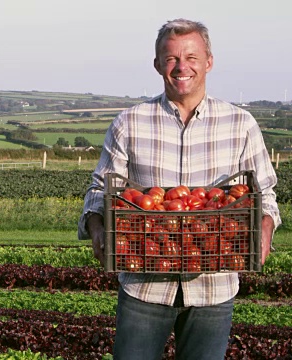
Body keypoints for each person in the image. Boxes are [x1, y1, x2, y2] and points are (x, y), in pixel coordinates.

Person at [78, 18, 281, 360]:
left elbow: (266, 195)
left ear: (209, 62)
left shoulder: (240, 124)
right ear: (157, 64)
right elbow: (101, 188)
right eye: (171, 58)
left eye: (191, 57)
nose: (181, 67)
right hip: (144, 285)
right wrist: (98, 226)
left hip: (213, 289)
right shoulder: (130, 122)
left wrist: (264, 229)